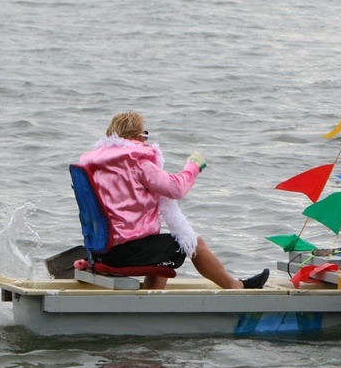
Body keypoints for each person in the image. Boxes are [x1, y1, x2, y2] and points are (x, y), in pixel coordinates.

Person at [77, 112, 269, 290]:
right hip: (127, 250)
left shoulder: (96, 165)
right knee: (192, 242)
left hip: (101, 250)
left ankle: (149, 299)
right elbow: (176, 189)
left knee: (162, 246)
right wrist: (192, 167)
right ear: (136, 137)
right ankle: (236, 286)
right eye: (144, 136)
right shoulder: (136, 162)